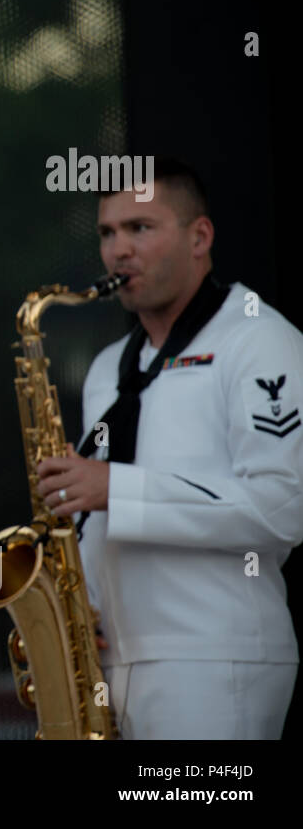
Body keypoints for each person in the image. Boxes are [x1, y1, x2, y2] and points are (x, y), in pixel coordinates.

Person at [36, 157, 302, 739]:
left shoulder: (258, 340)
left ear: (199, 237)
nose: (118, 250)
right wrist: (77, 613)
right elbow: (97, 520)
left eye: (140, 228)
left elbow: (282, 507)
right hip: (116, 663)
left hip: (213, 658)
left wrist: (115, 487)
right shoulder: (110, 366)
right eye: (108, 233)